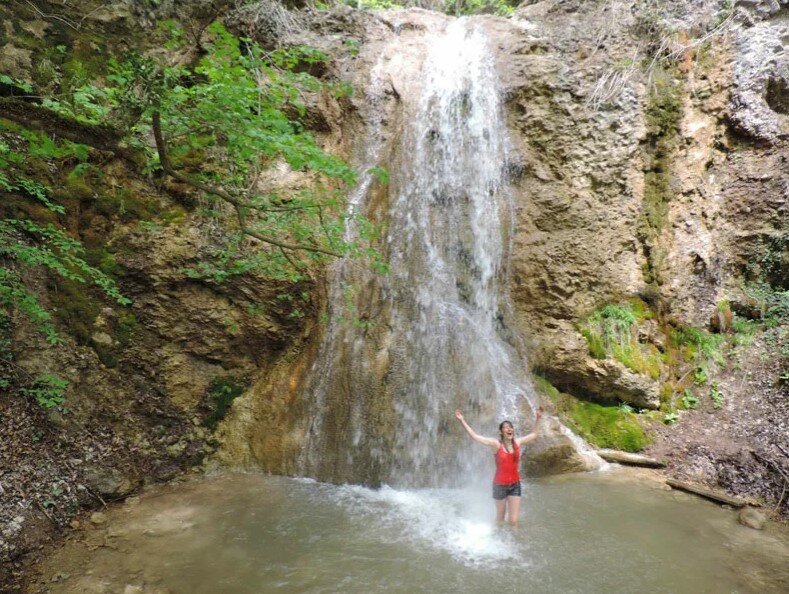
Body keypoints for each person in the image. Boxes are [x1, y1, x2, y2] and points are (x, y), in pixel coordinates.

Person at [455, 406, 544, 526]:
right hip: (499, 486)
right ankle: (499, 537)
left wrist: (538, 418)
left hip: (515, 485)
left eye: (510, 427)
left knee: (513, 520)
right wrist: (462, 420)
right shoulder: (496, 444)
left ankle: (514, 540)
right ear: (501, 432)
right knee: (501, 517)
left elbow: (534, 434)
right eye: (506, 427)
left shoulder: (517, 443)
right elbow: (475, 436)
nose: (509, 429)